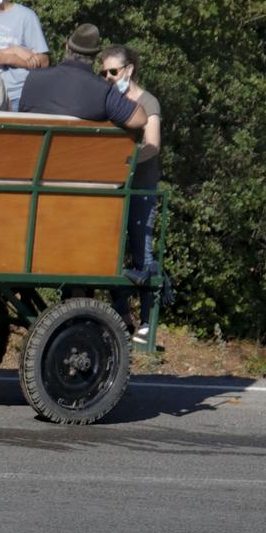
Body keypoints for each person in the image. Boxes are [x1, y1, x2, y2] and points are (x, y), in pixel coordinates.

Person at [101, 43, 165, 341]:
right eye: (103, 72)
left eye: (113, 71)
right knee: (110, 253)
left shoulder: (147, 101)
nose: (109, 77)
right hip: (113, 189)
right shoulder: (108, 100)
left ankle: (148, 322)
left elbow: (152, 145)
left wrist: (125, 161)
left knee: (143, 252)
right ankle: (122, 315)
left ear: (129, 70)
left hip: (140, 187)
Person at [17, 23, 145, 129]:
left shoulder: (33, 78)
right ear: (94, 56)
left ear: (67, 47)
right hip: (78, 158)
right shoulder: (102, 91)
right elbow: (139, 119)